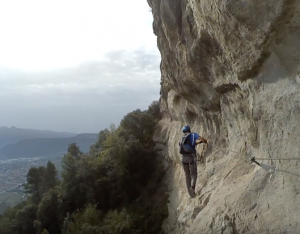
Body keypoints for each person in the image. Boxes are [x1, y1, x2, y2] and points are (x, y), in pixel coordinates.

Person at [179, 125, 207, 198]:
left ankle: (190, 192)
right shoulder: (193, 134)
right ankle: (192, 188)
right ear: (189, 130)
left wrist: (198, 143)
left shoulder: (182, 138)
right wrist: (204, 141)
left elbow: (190, 145)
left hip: (183, 159)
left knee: (187, 175)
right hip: (191, 157)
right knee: (193, 174)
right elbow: (202, 139)